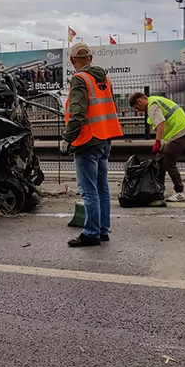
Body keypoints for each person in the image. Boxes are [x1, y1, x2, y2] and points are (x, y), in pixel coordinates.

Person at [62, 42, 124, 247]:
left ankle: (90, 233)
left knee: (89, 190)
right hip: (105, 138)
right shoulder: (104, 78)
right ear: (91, 57)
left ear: (72, 60)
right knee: (101, 188)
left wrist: (67, 138)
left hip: (87, 140)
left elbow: (78, 114)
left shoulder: (79, 79)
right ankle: (102, 230)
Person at [129, 92, 185, 202]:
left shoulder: (152, 105)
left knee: (168, 161)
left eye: (137, 107)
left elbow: (161, 123)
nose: (139, 111)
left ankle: (179, 192)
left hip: (180, 133)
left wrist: (157, 142)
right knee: (160, 161)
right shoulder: (155, 100)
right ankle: (158, 189)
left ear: (139, 101)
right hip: (176, 134)